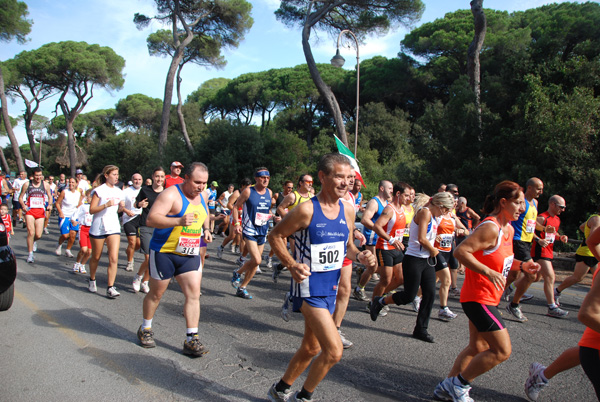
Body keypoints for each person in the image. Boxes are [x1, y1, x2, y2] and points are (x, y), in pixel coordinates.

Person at [266, 153, 376, 402]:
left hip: (330, 288)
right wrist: (292, 264)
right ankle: (303, 397)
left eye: (349, 178)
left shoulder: (348, 210)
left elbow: (347, 246)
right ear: (323, 177)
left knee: (311, 347)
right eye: (339, 177)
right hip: (307, 287)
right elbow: (274, 236)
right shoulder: (306, 210)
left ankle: (280, 390)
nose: (345, 182)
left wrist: (360, 257)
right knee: (334, 351)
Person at [433, 180, 541, 402]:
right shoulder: (490, 227)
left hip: (490, 297)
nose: (522, 208)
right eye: (518, 203)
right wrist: (487, 272)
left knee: (477, 346)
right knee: (502, 351)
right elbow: (461, 252)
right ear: (503, 202)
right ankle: (459, 385)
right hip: (477, 297)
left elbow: (500, 261)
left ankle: (446, 387)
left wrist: (523, 266)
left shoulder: (508, 229)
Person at [137, 162, 212, 357]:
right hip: (165, 252)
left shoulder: (203, 195)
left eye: (204, 182)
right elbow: (151, 219)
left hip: (189, 253)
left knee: (193, 294)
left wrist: (206, 229)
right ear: (186, 177)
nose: (201, 186)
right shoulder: (170, 194)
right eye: (197, 182)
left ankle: (191, 338)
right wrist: (178, 221)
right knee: (156, 294)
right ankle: (145, 327)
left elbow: (205, 213)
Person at [371, 192, 455, 343]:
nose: (447, 213)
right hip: (414, 259)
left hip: (427, 260)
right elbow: (422, 238)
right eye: (446, 210)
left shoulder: (435, 216)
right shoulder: (425, 212)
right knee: (408, 296)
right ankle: (380, 302)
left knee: (429, 294)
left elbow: (425, 235)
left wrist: (435, 239)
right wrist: (434, 250)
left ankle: (421, 329)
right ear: (440, 206)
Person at [504, 177, 545, 322]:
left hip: (527, 243)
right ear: (529, 188)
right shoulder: (522, 203)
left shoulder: (535, 203)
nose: (541, 191)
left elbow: (531, 225)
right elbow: (511, 218)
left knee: (513, 276)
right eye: (538, 188)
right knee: (531, 274)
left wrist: (539, 237)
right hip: (517, 241)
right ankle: (514, 305)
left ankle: (495, 295)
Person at [231, 167, 274, 299]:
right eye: (262, 177)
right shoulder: (248, 191)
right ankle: (238, 272)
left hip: (263, 228)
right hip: (249, 229)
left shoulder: (270, 192)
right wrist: (237, 224)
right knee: (257, 259)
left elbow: (267, 210)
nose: (265, 179)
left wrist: (272, 216)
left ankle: (242, 287)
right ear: (256, 178)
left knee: (256, 263)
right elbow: (235, 206)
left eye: (267, 177)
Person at [371, 182, 410, 313]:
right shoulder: (389, 209)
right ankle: (373, 303)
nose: (408, 198)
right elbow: (377, 226)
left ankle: (379, 298)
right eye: (406, 195)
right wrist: (392, 239)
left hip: (396, 248)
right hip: (385, 247)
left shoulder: (403, 209)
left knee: (400, 279)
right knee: (385, 280)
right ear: (398, 194)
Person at [87, 165, 125, 298]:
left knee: (113, 258)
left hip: (113, 226)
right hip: (99, 226)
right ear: (106, 175)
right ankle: (92, 279)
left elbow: (119, 210)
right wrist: (106, 205)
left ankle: (110, 287)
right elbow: (92, 210)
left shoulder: (119, 191)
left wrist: (122, 208)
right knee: (96, 257)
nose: (116, 177)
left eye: (117, 174)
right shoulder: (99, 191)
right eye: (114, 174)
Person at [530, 195, 570, 318]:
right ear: (552, 204)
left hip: (549, 251)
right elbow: (529, 229)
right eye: (561, 207)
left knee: (535, 278)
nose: (563, 210)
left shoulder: (557, 219)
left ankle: (511, 287)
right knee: (550, 276)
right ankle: (552, 306)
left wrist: (560, 237)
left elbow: (553, 233)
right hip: (539, 251)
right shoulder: (542, 218)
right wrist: (539, 240)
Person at [354, 180, 393, 302]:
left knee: (383, 266)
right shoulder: (374, 202)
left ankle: (362, 271)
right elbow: (365, 220)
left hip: (381, 238)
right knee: (373, 265)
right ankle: (359, 289)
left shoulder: (386, 202)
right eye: (390, 188)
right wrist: (377, 229)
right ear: (382, 188)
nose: (391, 191)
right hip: (371, 236)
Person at [273, 175, 314, 282]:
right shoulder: (293, 196)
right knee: (298, 256)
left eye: (311, 181)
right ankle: (296, 287)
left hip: (308, 232)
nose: (310, 183)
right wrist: (289, 221)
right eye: (308, 181)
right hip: (294, 231)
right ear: (300, 183)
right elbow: (280, 208)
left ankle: (279, 267)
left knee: (299, 256)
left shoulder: (312, 196)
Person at [554, 208, 600, 304]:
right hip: (587, 253)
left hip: (594, 253)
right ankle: (556, 291)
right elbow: (592, 238)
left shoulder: (594, 218)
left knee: (597, 279)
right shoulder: (597, 220)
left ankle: (593, 302)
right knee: (577, 278)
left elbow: (582, 227)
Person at [132, 167, 165, 293]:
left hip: (160, 227)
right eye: (157, 176)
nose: (159, 179)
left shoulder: (167, 192)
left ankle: (145, 281)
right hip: (146, 225)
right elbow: (136, 204)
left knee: (154, 258)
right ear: (152, 177)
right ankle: (138, 277)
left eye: (162, 177)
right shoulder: (145, 190)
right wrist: (139, 205)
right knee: (148, 257)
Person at [19, 168, 53, 263]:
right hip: (30, 210)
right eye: (36, 175)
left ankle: (33, 241)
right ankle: (30, 254)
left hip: (40, 211)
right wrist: (23, 206)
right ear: (33, 176)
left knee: (38, 234)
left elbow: (50, 196)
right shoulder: (27, 184)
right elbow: (20, 197)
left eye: (40, 175)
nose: (38, 177)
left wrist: (50, 205)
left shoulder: (45, 184)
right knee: (31, 232)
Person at [216, 178, 251, 258]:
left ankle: (242, 257)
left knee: (243, 237)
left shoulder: (248, 193)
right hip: (235, 216)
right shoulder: (237, 193)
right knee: (232, 236)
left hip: (244, 217)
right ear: (242, 186)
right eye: (246, 187)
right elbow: (229, 205)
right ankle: (221, 247)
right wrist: (237, 211)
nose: (248, 189)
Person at [54, 177, 82, 258]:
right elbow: (57, 203)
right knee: (65, 235)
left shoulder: (78, 193)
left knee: (73, 235)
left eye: (73, 182)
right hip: (64, 215)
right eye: (69, 182)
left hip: (74, 216)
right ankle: (59, 245)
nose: (71, 184)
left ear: (76, 184)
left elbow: (79, 204)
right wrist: (60, 212)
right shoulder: (64, 192)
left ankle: (68, 250)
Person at [122, 173, 143, 272]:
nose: (137, 181)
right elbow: (121, 206)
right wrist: (127, 211)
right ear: (132, 180)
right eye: (135, 179)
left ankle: (129, 251)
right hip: (129, 219)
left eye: (139, 179)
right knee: (132, 242)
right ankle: (130, 262)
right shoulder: (126, 191)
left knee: (138, 244)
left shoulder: (144, 191)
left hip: (140, 218)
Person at [71, 189, 93, 274]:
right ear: (86, 197)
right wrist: (74, 221)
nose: (90, 198)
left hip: (92, 231)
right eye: (89, 196)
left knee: (89, 251)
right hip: (83, 229)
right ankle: (77, 263)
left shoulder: (97, 208)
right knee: (84, 249)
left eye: (92, 196)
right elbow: (74, 215)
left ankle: (82, 264)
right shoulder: (83, 206)